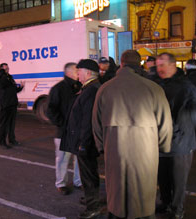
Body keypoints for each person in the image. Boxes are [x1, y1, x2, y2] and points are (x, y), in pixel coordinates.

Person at [92, 50, 173, 219]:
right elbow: (165, 124)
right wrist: (164, 147)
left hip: (115, 149)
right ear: (140, 65)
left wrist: (102, 147)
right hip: (145, 150)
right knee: (142, 191)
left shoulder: (105, 88)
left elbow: (96, 123)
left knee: (117, 190)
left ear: (121, 64)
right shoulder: (154, 88)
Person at [155, 53, 196, 219]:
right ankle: (165, 202)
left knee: (178, 181)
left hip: (181, 143)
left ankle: (177, 208)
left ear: (173, 65)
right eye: (157, 65)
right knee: (162, 178)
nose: (160, 69)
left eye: (163, 64)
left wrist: (182, 121)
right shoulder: (157, 84)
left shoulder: (186, 85)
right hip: (160, 142)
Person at [60, 59, 101, 219]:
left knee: (89, 174)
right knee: (88, 173)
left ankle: (93, 206)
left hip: (87, 142)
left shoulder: (91, 90)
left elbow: (87, 121)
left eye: (80, 71)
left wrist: (83, 144)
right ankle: (91, 198)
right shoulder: (89, 88)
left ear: (88, 73)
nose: (77, 74)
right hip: (86, 141)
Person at [46, 62, 82, 195]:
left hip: (78, 131)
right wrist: (63, 124)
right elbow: (50, 110)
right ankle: (61, 183)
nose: (78, 73)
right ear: (68, 72)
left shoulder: (80, 86)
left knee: (79, 159)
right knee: (62, 160)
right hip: (64, 132)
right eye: (76, 71)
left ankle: (79, 181)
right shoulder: (58, 88)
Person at [0, 63, 24, 149]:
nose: (8, 69)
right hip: (5, 105)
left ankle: (12, 139)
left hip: (12, 104)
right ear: (1, 70)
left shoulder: (10, 78)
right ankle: (2, 142)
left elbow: (14, 90)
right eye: (5, 69)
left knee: (12, 124)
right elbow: (3, 84)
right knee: (4, 125)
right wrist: (2, 73)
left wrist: (21, 87)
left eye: (8, 68)